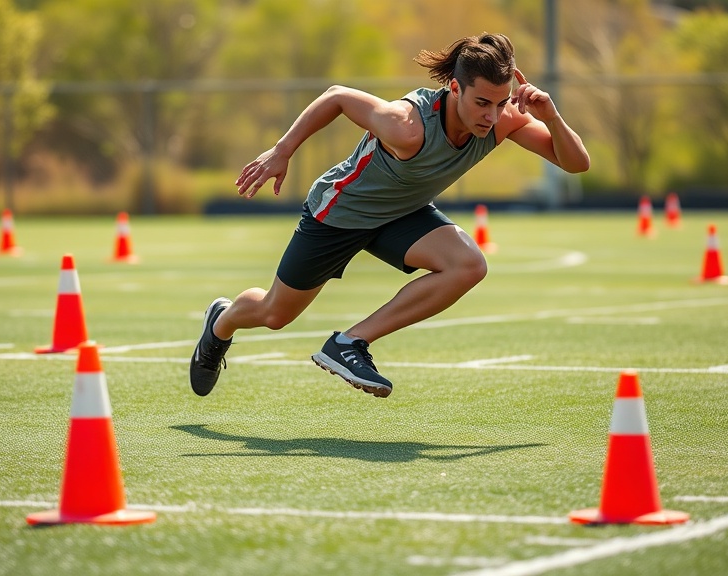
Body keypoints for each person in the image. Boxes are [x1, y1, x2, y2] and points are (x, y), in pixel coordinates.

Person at [190, 32, 589, 398]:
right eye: (481, 102)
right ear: (454, 88)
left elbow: (575, 164)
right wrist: (282, 151)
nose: (491, 115)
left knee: (468, 265)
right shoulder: (407, 126)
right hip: (339, 214)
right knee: (274, 313)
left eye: (500, 103)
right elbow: (337, 96)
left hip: (401, 214)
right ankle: (221, 322)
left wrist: (550, 116)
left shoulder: (502, 121)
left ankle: (349, 343)